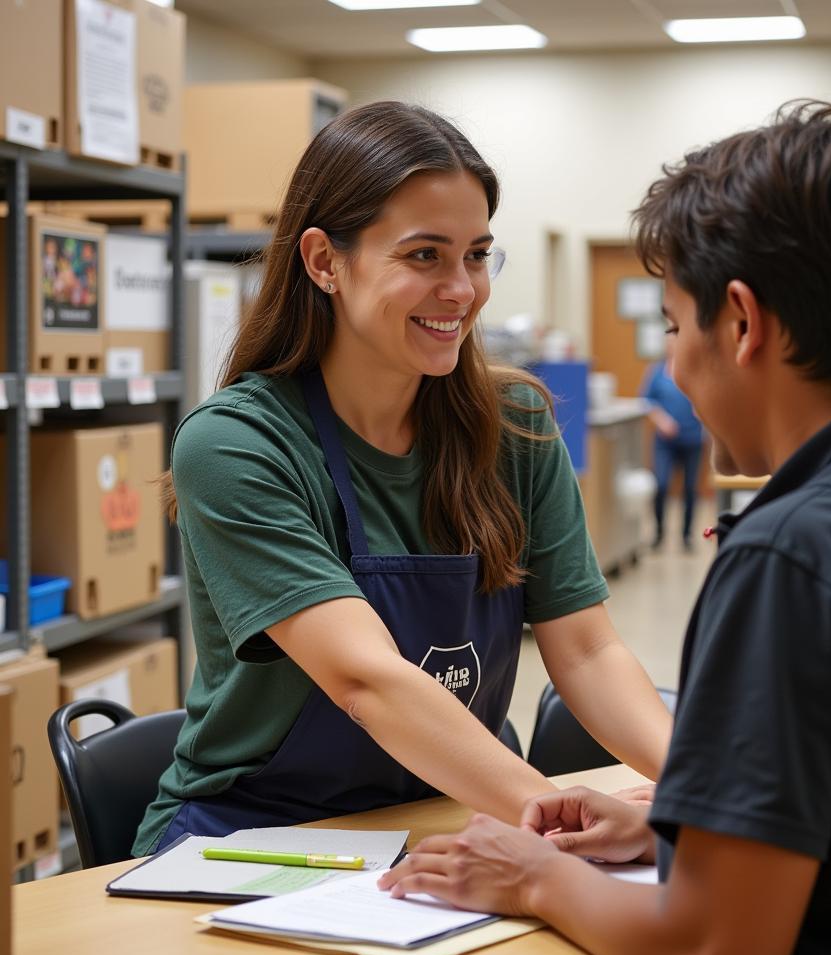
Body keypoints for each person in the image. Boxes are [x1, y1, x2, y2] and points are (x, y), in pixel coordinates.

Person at [381, 102, 831, 955]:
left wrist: (533, 879)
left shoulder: (794, 557)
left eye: (676, 327)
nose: (675, 366)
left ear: (743, 323)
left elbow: (715, 953)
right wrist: (692, 825)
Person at [133, 102, 672, 856]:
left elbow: (586, 651)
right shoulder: (236, 445)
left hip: (451, 810)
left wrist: (700, 802)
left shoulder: (513, 424)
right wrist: (559, 817)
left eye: (478, 255)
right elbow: (367, 682)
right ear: (324, 261)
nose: (462, 290)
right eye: (425, 256)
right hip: (256, 838)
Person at [642, 359, 704, 550]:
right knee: (660, 484)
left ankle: (687, 536)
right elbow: (647, 401)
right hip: (665, 441)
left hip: (692, 438)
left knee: (690, 488)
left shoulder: (696, 368)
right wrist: (662, 421)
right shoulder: (657, 371)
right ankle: (659, 532)